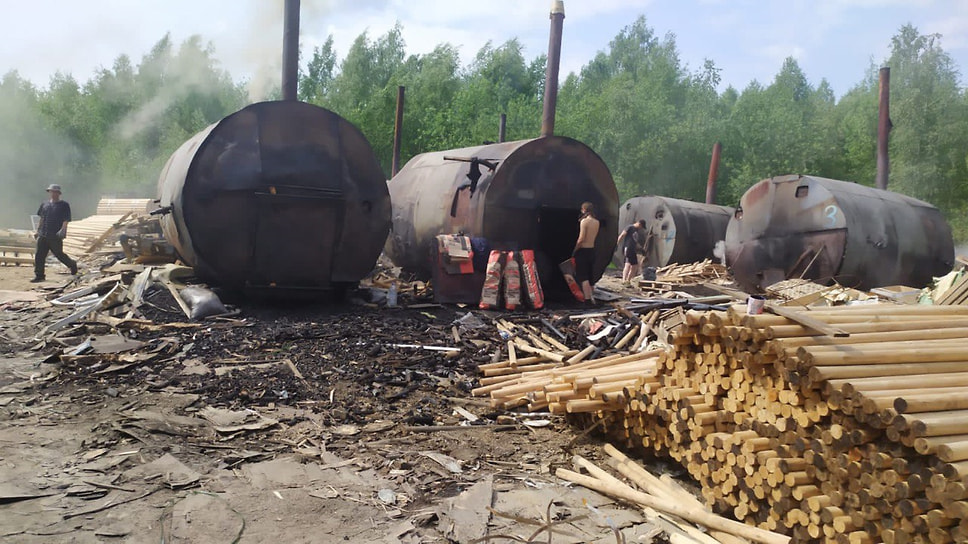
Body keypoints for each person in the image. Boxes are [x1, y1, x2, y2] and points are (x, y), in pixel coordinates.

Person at [32, 184, 78, 282]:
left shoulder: (64, 205)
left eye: (55, 192)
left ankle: (72, 264)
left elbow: (66, 219)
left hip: (55, 235)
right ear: (49, 192)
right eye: (51, 191)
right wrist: (37, 231)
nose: (53, 193)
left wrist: (63, 230)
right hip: (43, 234)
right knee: (39, 255)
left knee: (59, 254)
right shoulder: (44, 204)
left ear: (58, 193)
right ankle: (39, 275)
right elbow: (42, 218)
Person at [572, 201, 600, 303]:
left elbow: (581, 239)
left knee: (583, 276)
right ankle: (593, 298)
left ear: (584, 210)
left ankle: (587, 299)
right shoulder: (597, 222)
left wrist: (574, 250)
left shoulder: (584, 222)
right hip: (592, 250)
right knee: (590, 275)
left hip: (583, 251)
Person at [617, 219, 648, 285]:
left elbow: (635, 242)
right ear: (639, 224)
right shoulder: (630, 227)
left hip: (632, 249)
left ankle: (626, 281)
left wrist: (641, 249)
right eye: (641, 227)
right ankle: (625, 280)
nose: (641, 228)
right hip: (628, 248)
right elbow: (622, 235)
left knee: (631, 265)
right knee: (631, 265)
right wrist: (616, 244)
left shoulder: (636, 231)